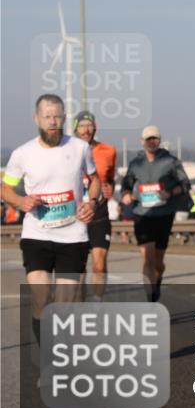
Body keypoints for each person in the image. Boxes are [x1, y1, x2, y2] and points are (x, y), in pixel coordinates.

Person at [2, 95, 100, 347]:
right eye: (47, 117)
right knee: (42, 299)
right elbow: (6, 188)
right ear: (37, 119)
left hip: (73, 236)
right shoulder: (23, 153)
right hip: (37, 235)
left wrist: (91, 202)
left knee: (65, 306)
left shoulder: (80, 148)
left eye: (57, 116)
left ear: (64, 118)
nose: (53, 122)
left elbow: (95, 179)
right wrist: (21, 201)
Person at [120, 125, 192, 301]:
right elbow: (126, 184)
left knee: (158, 263)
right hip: (142, 214)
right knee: (147, 260)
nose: (152, 142)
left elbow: (185, 184)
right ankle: (150, 298)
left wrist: (169, 192)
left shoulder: (171, 162)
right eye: (148, 139)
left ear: (159, 141)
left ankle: (157, 280)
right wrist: (126, 194)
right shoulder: (136, 163)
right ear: (142, 142)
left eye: (155, 138)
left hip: (164, 214)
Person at [73, 110, 117, 300]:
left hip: (99, 214)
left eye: (89, 126)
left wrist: (110, 188)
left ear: (95, 128)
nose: (86, 130)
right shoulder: (67, 150)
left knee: (99, 263)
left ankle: (98, 304)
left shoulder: (108, 151)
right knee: (79, 270)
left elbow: (110, 179)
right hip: (75, 218)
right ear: (75, 128)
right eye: (82, 126)